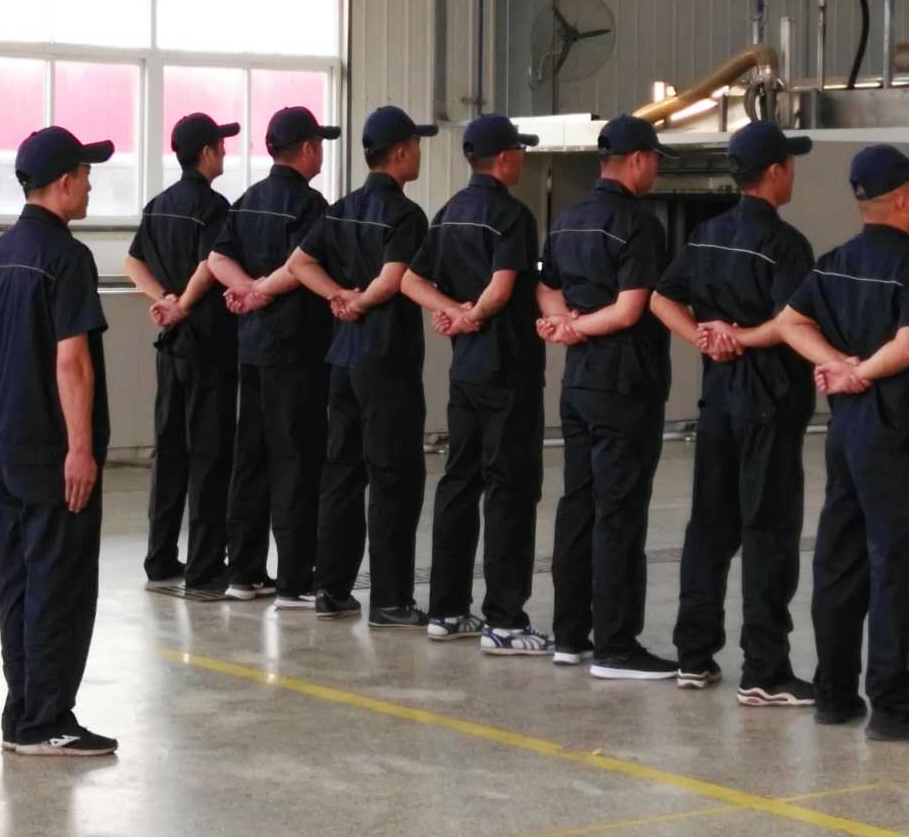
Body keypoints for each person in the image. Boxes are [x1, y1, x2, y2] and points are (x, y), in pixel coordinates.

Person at [778, 144, 909, 743]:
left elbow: (790, 322)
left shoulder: (833, 262)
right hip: (897, 433)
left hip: (847, 430)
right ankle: (893, 704)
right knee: (897, 565)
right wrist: (858, 372)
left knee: (840, 559)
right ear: (903, 200)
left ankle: (834, 694)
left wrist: (836, 365)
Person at [650, 122, 817, 706]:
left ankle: (694, 657)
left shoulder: (707, 234)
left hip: (718, 402)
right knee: (768, 533)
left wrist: (704, 337)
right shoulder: (786, 244)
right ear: (773, 172)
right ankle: (764, 672)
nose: (792, 173)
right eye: (789, 164)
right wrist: (739, 337)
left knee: (709, 528)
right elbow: (791, 323)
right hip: (768, 403)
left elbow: (660, 298)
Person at [0, 126, 117, 756]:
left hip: (4, 448)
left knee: (18, 583)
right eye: (86, 174)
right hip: (53, 455)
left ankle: (22, 715)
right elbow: (72, 361)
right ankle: (48, 721)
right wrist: (80, 447)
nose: (90, 185)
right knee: (60, 585)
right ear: (63, 182)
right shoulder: (67, 257)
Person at [401, 113, 553, 656]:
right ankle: (505, 621)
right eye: (520, 152)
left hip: (464, 370)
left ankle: (446, 610)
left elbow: (410, 279)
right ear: (506, 158)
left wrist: (450, 311)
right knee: (510, 488)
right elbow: (504, 285)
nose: (522, 160)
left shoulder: (448, 212)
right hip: (508, 369)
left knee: (459, 483)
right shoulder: (513, 215)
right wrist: (473, 314)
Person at [537, 114, 677, 681]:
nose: (655, 170)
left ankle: (570, 636)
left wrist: (563, 324)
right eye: (655, 160)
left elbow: (545, 285)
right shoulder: (639, 225)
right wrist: (576, 326)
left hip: (578, 384)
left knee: (578, 505)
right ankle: (616, 645)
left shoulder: (567, 219)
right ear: (638, 159)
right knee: (619, 512)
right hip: (625, 384)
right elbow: (629, 310)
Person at [287, 106, 436, 628]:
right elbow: (394, 278)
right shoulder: (407, 215)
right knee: (393, 476)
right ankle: (391, 600)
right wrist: (360, 300)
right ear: (400, 153)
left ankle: (331, 589)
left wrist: (337, 296)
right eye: (416, 146)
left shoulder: (341, 209)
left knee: (342, 473)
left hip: (343, 359)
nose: (419, 154)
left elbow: (299, 263)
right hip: (386, 360)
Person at [207, 107, 340, 608]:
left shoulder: (247, 200)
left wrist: (246, 289)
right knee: (296, 460)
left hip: (252, 347)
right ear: (306, 149)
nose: (320, 154)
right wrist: (261, 290)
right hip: (296, 350)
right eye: (318, 145)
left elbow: (217, 257)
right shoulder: (311, 205)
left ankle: (243, 573)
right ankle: (294, 580)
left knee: (251, 458)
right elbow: (301, 265)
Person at [124, 112, 238, 594]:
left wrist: (164, 301)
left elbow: (132, 261)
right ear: (206, 152)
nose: (225, 152)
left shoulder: (158, 205)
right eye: (221, 145)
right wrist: (184, 305)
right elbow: (211, 264)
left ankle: (160, 557)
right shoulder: (214, 207)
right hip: (207, 343)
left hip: (171, 347)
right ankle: (206, 565)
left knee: (170, 450)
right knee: (209, 453)